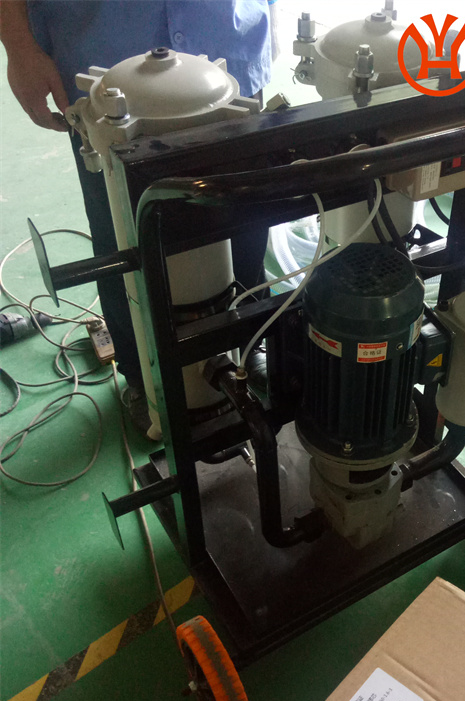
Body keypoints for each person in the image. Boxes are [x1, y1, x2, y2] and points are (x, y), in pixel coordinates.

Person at [0, 0, 272, 434]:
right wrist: (19, 47)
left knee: (244, 219)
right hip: (108, 78)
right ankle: (143, 376)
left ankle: (249, 347)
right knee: (124, 238)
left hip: (227, 46)